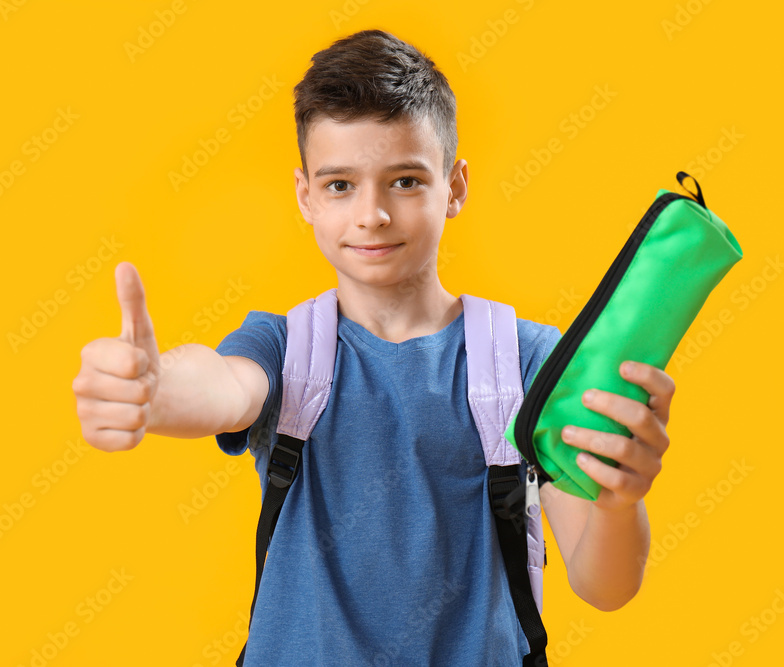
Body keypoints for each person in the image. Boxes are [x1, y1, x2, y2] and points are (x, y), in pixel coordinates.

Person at [72, 29, 675, 665]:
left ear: (456, 186)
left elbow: (605, 586)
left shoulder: (527, 361)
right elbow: (222, 386)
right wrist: (155, 390)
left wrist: (618, 498)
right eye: (340, 186)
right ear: (305, 195)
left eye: (406, 181)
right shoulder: (283, 348)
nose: (372, 214)